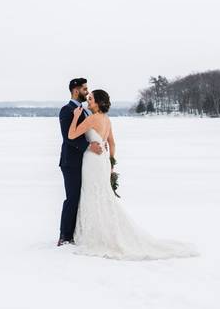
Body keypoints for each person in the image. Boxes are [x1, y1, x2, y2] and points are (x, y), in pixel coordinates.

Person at [66, 88, 199, 260]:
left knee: (92, 194)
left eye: (91, 99)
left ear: (98, 103)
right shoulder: (107, 120)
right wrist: (111, 164)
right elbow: (112, 144)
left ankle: (96, 234)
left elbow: (71, 134)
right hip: (103, 162)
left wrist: (76, 117)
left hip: (92, 161)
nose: (88, 101)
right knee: (103, 195)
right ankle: (105, 229)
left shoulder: (91, 119)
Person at [57, 78, 103, 245]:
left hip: (84, 163)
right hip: (70, 162)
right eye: (84, 89)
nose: (87, 91)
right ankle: (65, 236)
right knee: (72, 198)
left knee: (81, 197)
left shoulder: (84, 110)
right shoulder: (66, 110)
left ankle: (77, 233)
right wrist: (89, 147)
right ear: (75, 90)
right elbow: (68, 138)